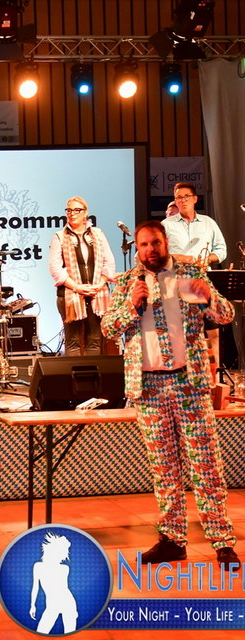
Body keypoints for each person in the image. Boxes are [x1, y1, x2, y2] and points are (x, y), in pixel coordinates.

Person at [101, 220, 239, 570]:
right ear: (137, 248)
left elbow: (226, 315)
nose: (150, 250)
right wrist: (131, 307)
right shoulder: (126, 283)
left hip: (189, 384)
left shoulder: (189, 276)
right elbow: (108, 327)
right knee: (164, 469)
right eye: (144, 245)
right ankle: (172, 540)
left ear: (165, 242)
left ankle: (222, 541)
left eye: (155, 243)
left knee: (206, 465)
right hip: (148, 389)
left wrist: (207, 296)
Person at [163, 182, 228, 366]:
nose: (182, 200)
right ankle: (183, 372)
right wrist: (180, 257)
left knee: (213, 329)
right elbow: (159, 254)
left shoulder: (208, 223)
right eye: (178, 197)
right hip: (177, 282)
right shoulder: (166, 225)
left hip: (203, 281)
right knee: (182, 331)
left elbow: (221, 250)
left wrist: (208, 258)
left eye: (186, 196)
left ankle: (216, 373)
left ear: (194, 199)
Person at [49, 196, 116, 356]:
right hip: (70, 295)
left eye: (77, 210)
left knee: (95, 341)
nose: (72, 213)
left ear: (85, 213)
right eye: (69, 210)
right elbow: (55, 268)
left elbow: (109, 262)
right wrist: (77, 288)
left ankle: (92, 373)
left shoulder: (98, 234)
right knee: (73, 343)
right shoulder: (59, 236)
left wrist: (100, 284)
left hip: (97, 294)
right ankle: (74, 373)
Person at [30, 532, 78, 634]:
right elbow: (35, 587)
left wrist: (33, 605)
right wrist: (32, 605)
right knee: (42, 631)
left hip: (67, 603)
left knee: (69, 633)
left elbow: (64, 588)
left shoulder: (64, 568)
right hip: (53, 605)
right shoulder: (38, 566)